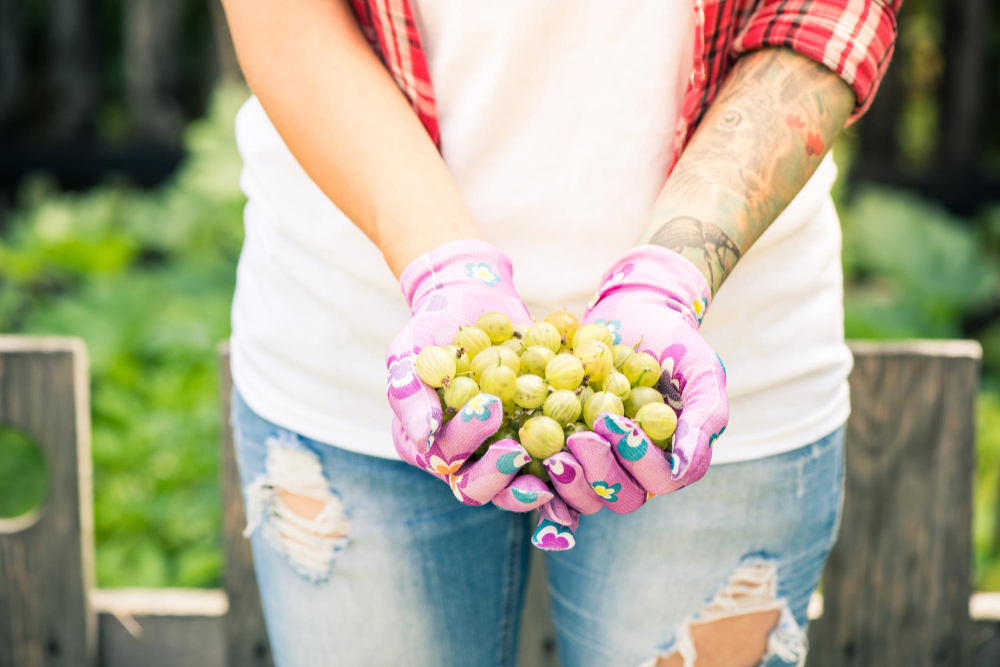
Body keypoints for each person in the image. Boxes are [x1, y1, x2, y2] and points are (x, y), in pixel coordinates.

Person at [220, 1, 901, 665]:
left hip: (711, 371)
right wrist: (438, 264)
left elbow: (826, 12)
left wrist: (673, 273)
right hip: (353, 341)